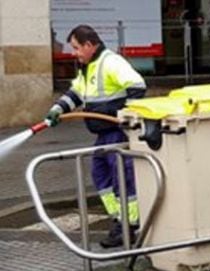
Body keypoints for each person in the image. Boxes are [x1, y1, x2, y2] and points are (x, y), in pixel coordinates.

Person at [45, 25, 146, 248]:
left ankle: (130, 226)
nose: (74, 53)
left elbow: (138, 86)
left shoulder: (111, 62)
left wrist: (121, 115)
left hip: (116, 133)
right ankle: (119, 219)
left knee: (123, 180)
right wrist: (57, 110)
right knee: (101, 175)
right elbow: (76, 94)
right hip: (103, 135)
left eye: (77, 48)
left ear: (90, 45)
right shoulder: (88, 67)